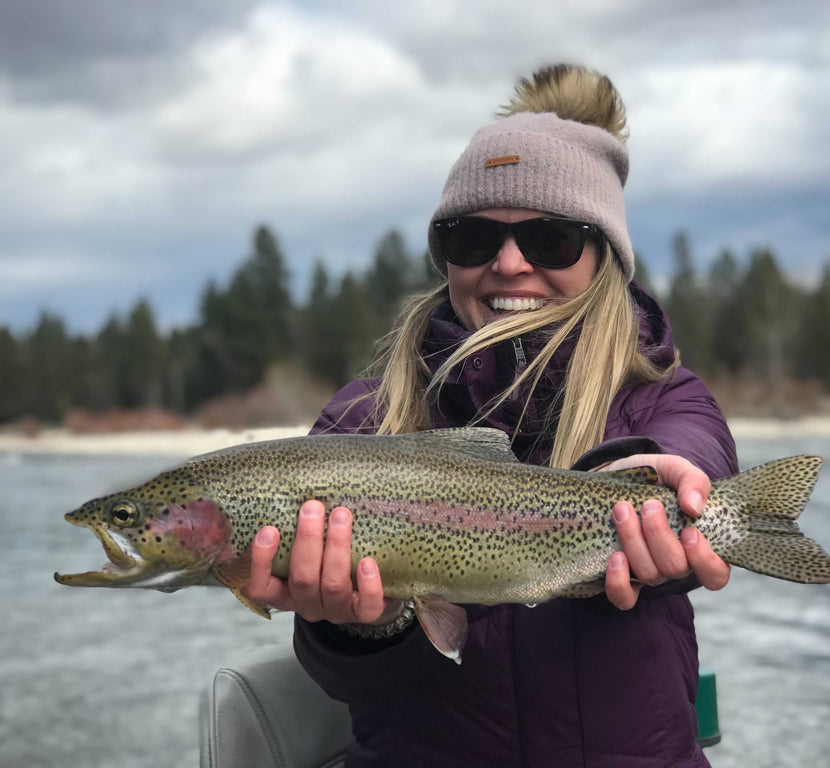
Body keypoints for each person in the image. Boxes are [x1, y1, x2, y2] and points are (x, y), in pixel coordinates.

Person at [243, 64, 738, 767]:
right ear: (445, 256)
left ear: (604, 257)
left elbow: (698, 450)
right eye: (473, 239)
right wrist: (369, 627)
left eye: (550, 239)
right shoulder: (364, 422)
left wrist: (665, 486)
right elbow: (345, 679)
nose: (508, 263)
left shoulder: (660, 392)